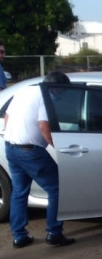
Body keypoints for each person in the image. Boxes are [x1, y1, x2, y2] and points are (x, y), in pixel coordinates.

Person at [4, 70, 76, 248]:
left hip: (11, 148)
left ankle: (19, 236)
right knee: (57, 188)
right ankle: (54, 232)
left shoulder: (24, 90)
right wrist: (58, 148)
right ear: (55, 88)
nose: (61, 95)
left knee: (19, 192)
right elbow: (44, 126)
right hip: (31, 152)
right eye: (62, 91)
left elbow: (7, 117)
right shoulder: (45, 95)